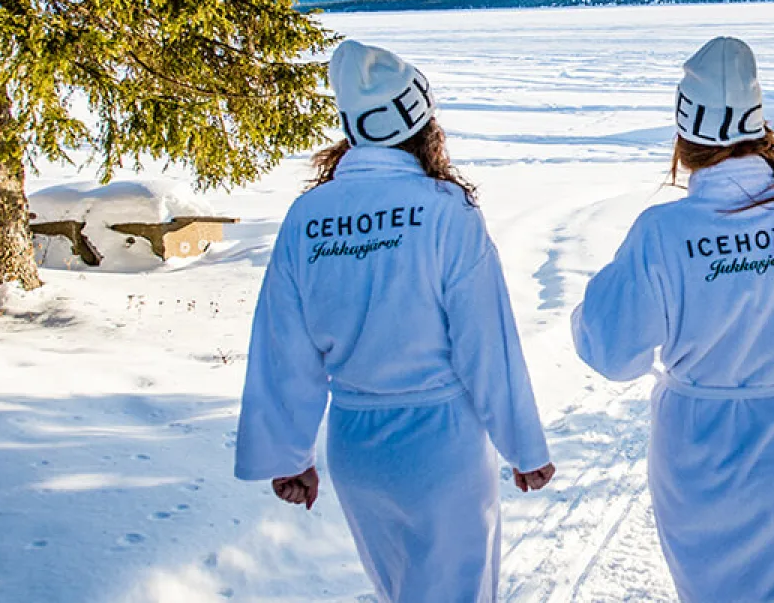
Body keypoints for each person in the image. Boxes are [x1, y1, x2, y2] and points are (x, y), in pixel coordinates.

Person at [234, 40, 555, 603]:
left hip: (357, 449)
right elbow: (487, 342)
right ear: (422, 122)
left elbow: (283, 346)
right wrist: (523, 447)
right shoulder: (444, 210)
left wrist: (288, 455)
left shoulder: (308, 217)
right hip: (441, 445)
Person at [572, 36, 774, 602]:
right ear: (760, 126)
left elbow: (612, 351)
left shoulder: (662, 232)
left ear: (684, 135)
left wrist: (587, 314)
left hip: (697, 454)